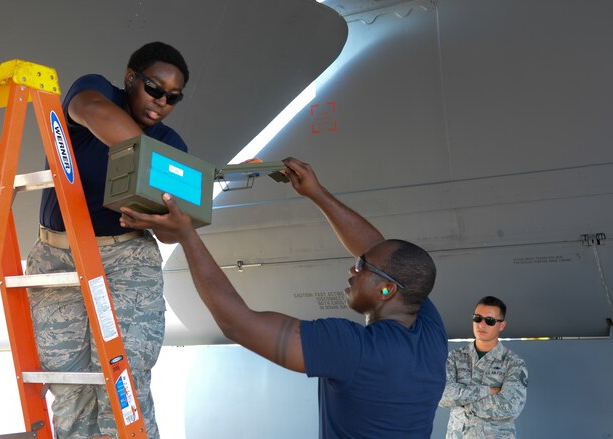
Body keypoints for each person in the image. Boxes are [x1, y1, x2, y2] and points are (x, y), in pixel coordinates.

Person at [119, 157, 449, 439]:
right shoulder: (428, 330)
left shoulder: (352, 348)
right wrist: (315, 193)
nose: (352, 267)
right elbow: (379, 249)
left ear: (387, 290)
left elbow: (238, 323)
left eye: (362, 267)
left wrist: (186, 235)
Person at [25, 41, 190, 439]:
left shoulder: (172, 144)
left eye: (173, 98)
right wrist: (161, 171)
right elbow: (91, 111)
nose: (161, 103)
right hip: (56, 257)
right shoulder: (96, 90)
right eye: (154, 89)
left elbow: (175, 228)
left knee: (123, 378)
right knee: (68, 384)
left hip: (126, 257)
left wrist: (154, 217)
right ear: (131, 77)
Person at [439, 296, 528, 438]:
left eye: (490, 320)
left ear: (502, 325)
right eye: (477, 318)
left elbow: (510, 408)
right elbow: (442, 396)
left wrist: (461, 401)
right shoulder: (455, 357)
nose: (482, 324)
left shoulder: (513, 363)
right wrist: (488, 391)